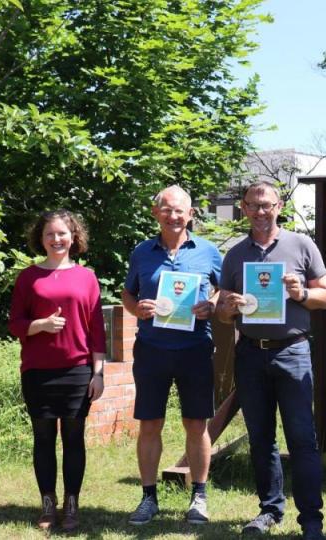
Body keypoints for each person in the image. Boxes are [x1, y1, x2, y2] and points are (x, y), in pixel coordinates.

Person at [216, 181, 326, 540]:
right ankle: (269, 510)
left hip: (292, 352)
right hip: (250, 352)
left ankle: (311, 519)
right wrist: (229, 308)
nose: (260, 211)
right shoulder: (235, 255)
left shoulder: (301, 244)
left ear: (278, 205)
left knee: (302, 438)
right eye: (253, 205)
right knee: (260, 438)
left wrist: (302, 293)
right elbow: (221, 313)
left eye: (266, 205)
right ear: (244, 208)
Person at [121, 186, 222, 526]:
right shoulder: (141, 252)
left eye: (180, 210)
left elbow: (224, 289)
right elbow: (127, 293)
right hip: (152, 349)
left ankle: (199, 497)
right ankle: (149, 498)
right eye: (166, 210)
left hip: (195, 348)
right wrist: (138, 309)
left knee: (196, 423)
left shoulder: (208, 251)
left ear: (191, 214)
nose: (173, 216)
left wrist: (213, 303)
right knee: (150, 423)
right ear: (156, 213)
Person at [8, 209, 106, 532]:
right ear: (41, 238)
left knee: (74, 439)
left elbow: (96, 330)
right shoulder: (27, 277)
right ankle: (48, 505)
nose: (56, 239)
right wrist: (41, 325)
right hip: (38, 372)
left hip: (78, 371)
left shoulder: (87, 277)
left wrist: (98, 372)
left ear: (74, 237)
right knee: (43, 438)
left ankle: (72, 504)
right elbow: (15, 324)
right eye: (49, 234)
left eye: (62, 233)